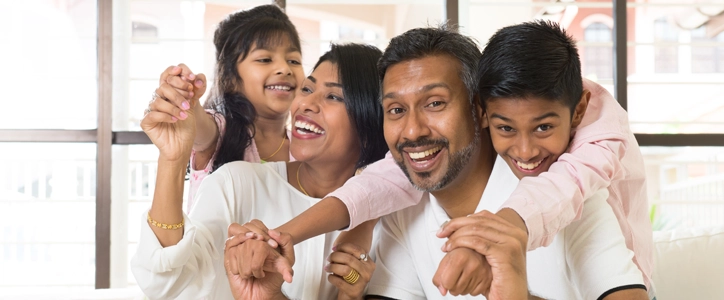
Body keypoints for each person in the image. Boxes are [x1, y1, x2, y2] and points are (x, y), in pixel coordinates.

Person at [273, 18, 652, 298]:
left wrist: (510, 284)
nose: (413, 130)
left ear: (479, 109)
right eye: (395, 110)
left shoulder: (565, 188)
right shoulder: (403, 202)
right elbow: (368, 189)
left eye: (435, 103)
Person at [131, 43, 387, 300]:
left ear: (371, 119)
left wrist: (349, 296)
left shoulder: (389, 218)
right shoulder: (236, 183)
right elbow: (165, 284)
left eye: (333, 96)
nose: (305, 104)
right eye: (307, 89)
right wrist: (172, 158)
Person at [144, 4, 304, 209]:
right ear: (229, 78)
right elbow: (199, 128)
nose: (284, 68)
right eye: (265, 59)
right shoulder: (220, 132)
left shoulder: (306, 145)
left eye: (294, 60)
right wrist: (186, 100)